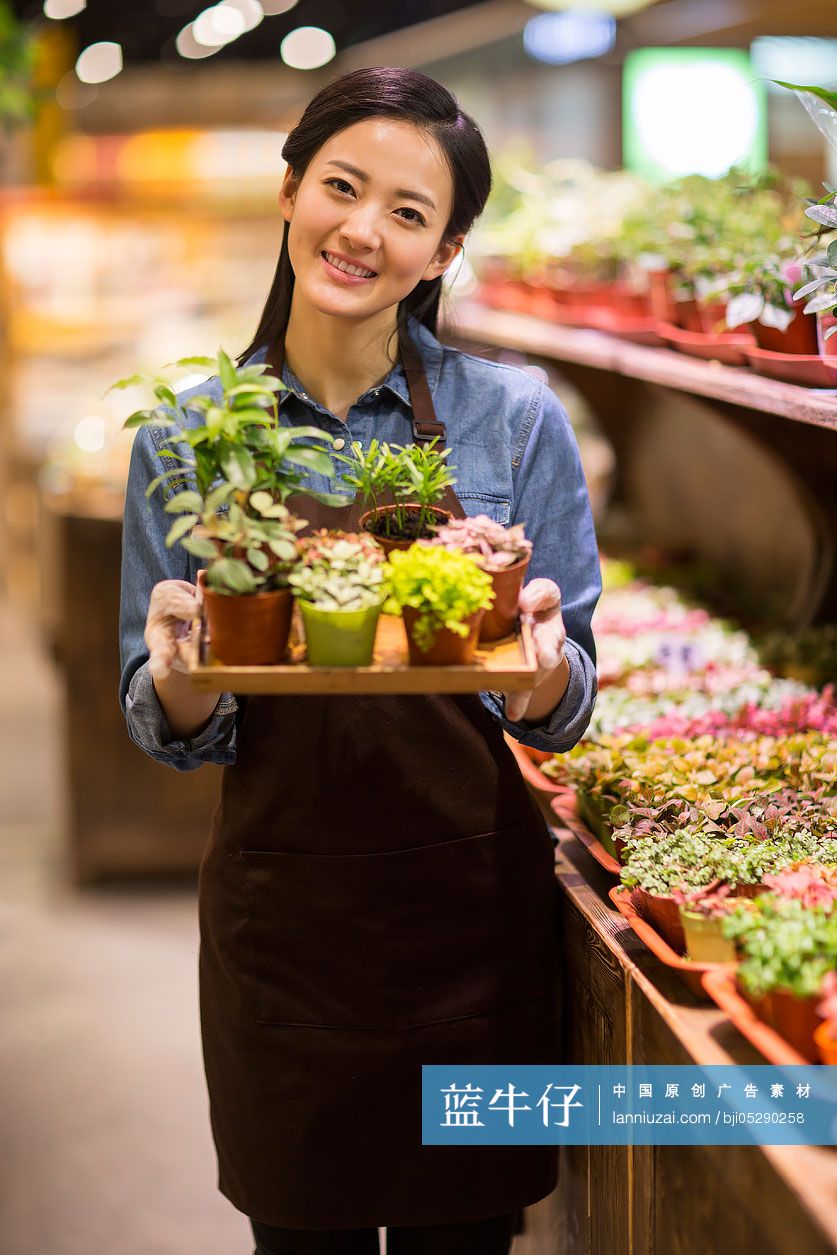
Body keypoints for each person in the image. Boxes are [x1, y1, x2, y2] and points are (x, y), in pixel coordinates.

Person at [119, 66, 600, 1255]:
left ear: (443, 251)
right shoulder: (190, 434)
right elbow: (158, 709)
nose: (362, 230)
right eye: (343, 187)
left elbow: (572, 692)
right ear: (290, 192)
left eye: (408, 212)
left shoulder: (515, 416)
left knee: (469, 1237)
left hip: (468, 925)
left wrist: (540, 674)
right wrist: (184, 674)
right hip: (286, 931)